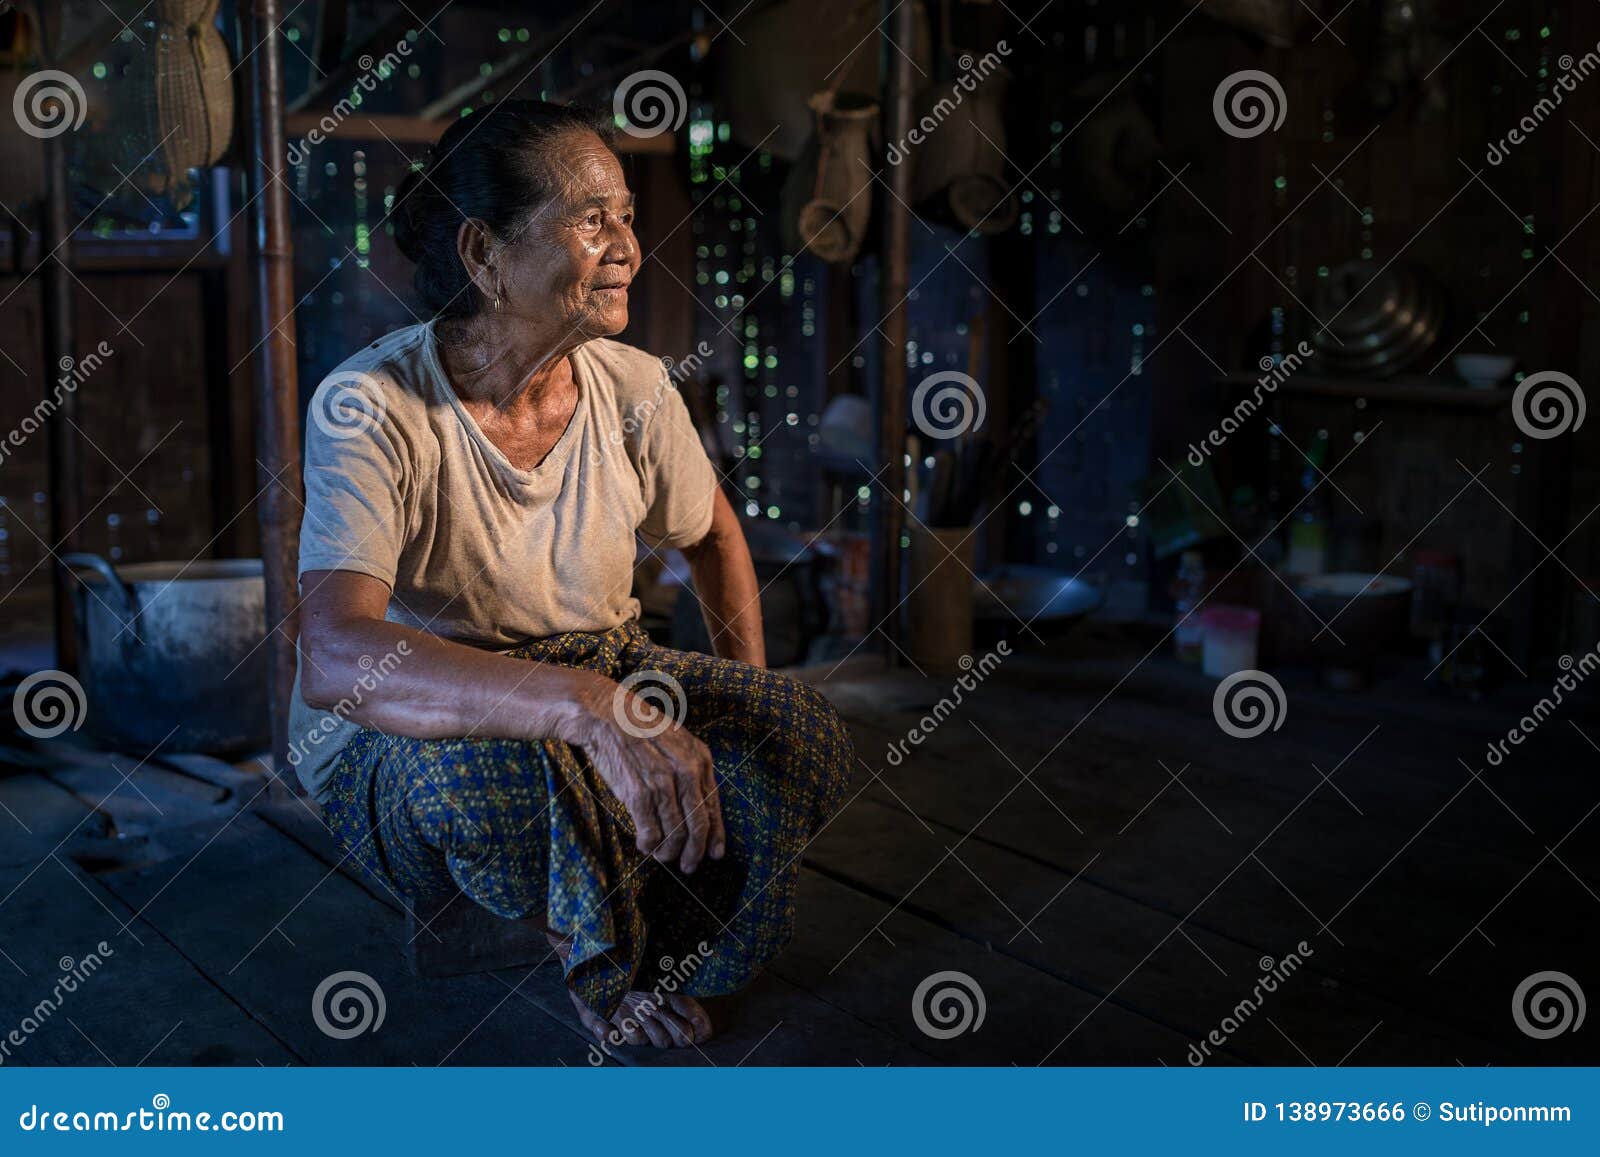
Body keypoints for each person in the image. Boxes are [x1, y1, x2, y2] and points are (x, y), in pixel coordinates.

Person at [290, 100, 852, 1051]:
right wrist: (581, 706)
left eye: (627, 215)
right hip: (425, 712)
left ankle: (653, 926)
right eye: (592, 220)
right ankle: (585, 944)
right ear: (485, 253)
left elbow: (711, 534)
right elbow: (338, 658)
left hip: (599, 665)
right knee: (487, 789)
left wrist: (736, 689)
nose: (627, 244)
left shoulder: (632, 387)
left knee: (801, 734)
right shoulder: (372, 404)